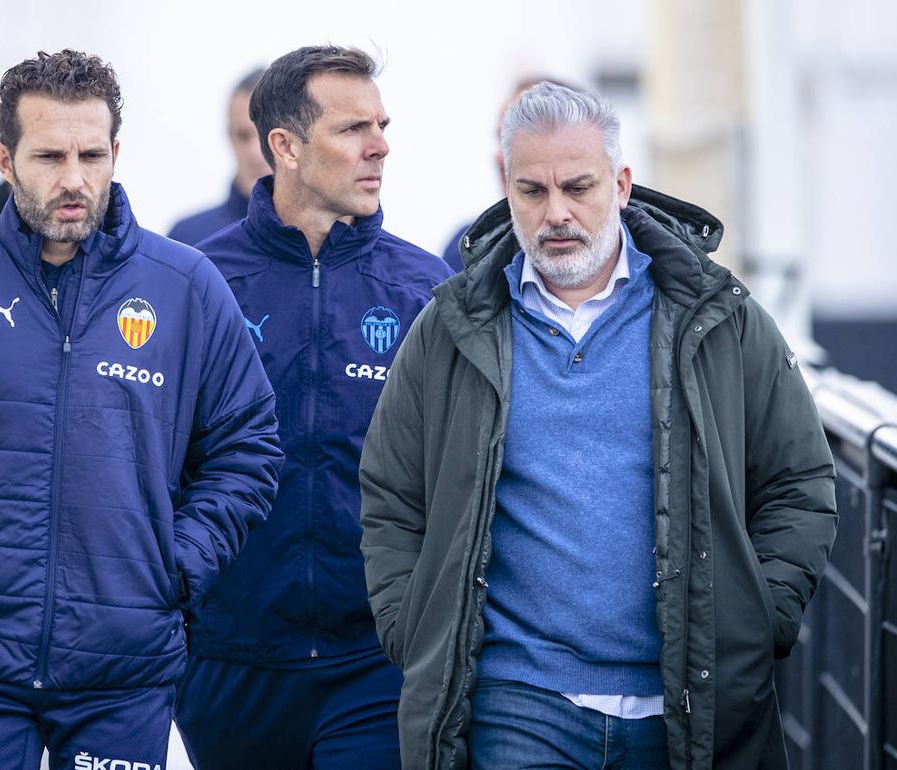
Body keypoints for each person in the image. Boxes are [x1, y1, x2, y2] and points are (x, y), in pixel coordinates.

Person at [359, 81, 837, 769]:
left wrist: (757, 618)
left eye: (577, 187)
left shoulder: (719, 318)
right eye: (532, 191)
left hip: (686, 703)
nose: (556, 213)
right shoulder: (453, 326)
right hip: (517, 700)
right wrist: (415, 627)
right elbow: (391, 489)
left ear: (621, 183)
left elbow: (801, 480)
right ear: (507, 188)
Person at [0, 49, 282, 769]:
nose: (74, 179)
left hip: (122, 676)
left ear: (116, 153)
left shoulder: (185, 288)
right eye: (49, 155)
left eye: (91, 154)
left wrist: (174, 565)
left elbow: (248, 448)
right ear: (5, 159)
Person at [174, 46, 453, 770]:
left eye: (382, 125)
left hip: (375, 660)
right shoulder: (201, 282)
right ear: (286, 147)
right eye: (353, 128)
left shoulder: (427, 291)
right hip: (230, 661)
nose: (380, 145)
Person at [439, 75, 574, 272]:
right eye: (500, 138)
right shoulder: (468, 247)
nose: (500, 158)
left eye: (515, 142)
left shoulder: (625, 253)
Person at [167, 67, 272, 246]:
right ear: (229, 137)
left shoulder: (323, 238)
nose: (255, 152)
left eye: (266, 135)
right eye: (243, 135)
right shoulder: (187, 241)